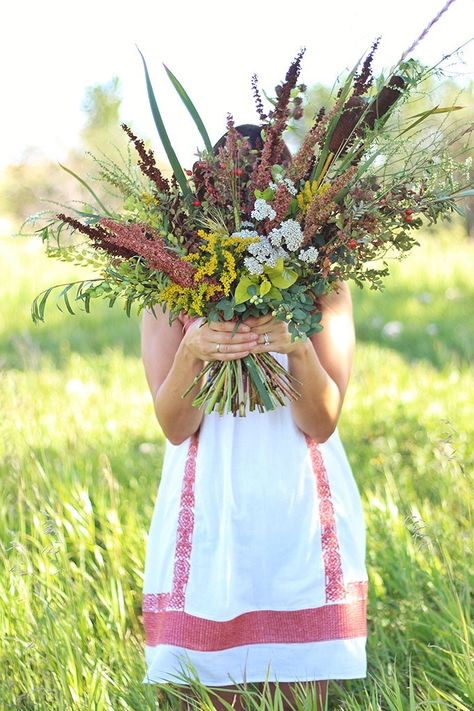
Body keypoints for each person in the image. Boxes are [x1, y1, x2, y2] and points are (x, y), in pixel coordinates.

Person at [140, 126, 368, 710]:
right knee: (212, 690)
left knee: (299, 689)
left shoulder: (324, 280)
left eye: (259, 186)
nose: (244, 199)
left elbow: (322, 422)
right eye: (230, 187)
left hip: (297, 503)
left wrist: (296, 347)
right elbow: (173, 425)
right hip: (210, 501)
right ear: (205, 199)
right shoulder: (171, 284)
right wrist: (195, 349)